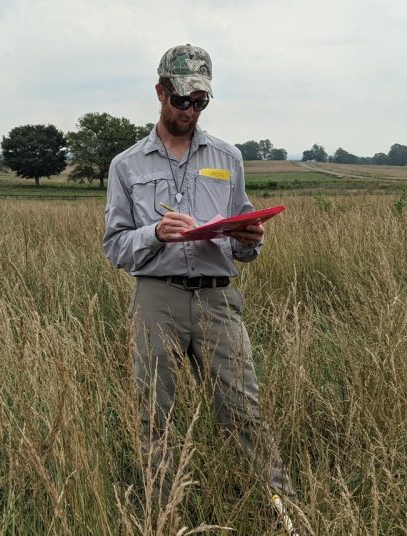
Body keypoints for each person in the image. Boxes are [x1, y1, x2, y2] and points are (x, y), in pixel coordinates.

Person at [103, 44, 299, 530]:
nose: (188, 110)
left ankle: (284, 513)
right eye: (181, 99)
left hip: (217, 299)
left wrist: (251, 239)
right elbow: (114, 246)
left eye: (199, 102)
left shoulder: (227, 157)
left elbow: (242, 240)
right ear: (160, 91)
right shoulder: (126, 165)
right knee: (156, 414)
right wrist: (154, 233)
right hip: (157, 298)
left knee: (243, 410)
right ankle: (164, 517)